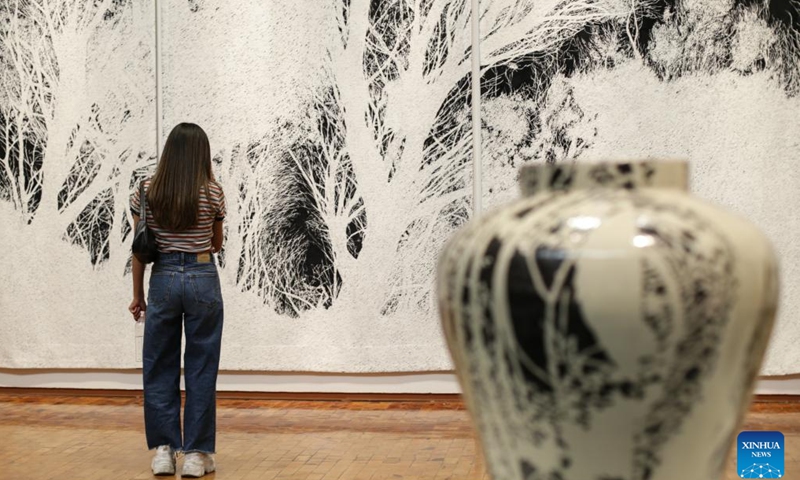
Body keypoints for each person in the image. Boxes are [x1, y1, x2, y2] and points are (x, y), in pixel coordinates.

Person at [128, 123, 226, 477]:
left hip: (164, 278)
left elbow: (140, 249)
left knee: (159, 365)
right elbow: (215, 243)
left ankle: (165, 452)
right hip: (202, 277)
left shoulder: (147, 190)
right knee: (201, 366)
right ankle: (197, 456)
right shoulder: (213, 191)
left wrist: (137, 295)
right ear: (201, 153)